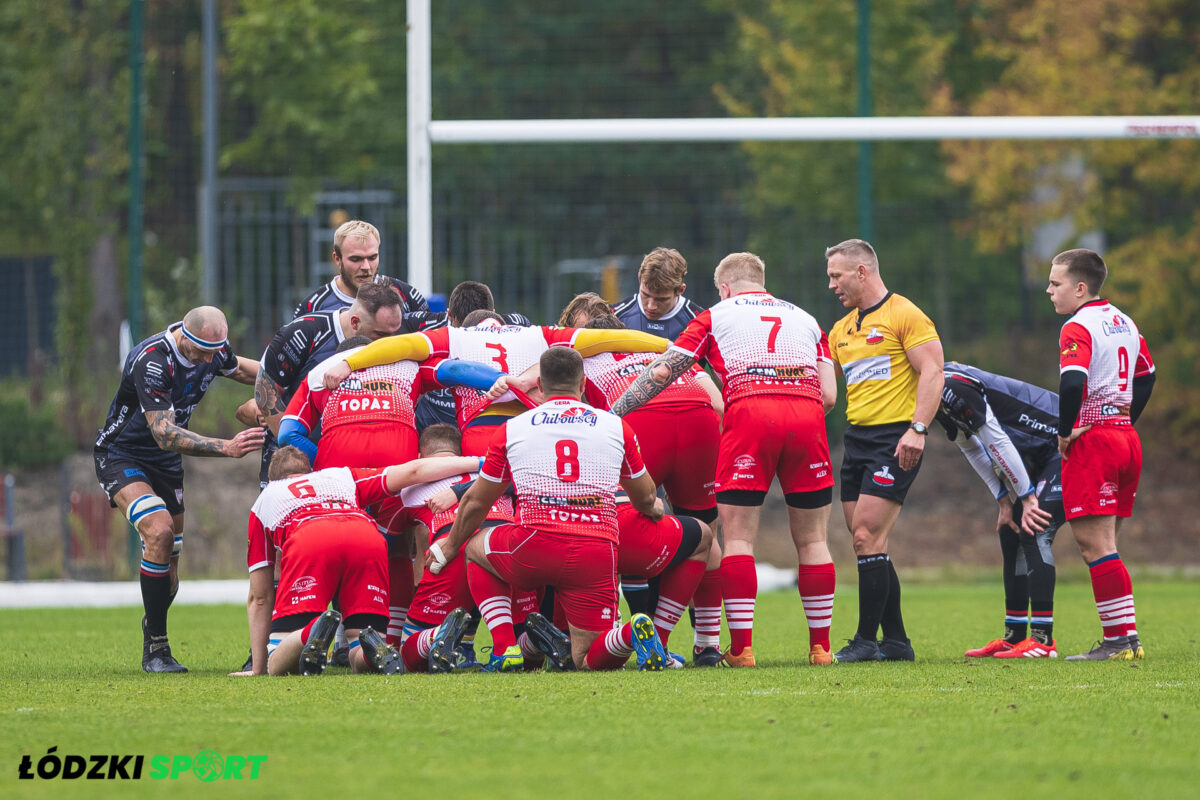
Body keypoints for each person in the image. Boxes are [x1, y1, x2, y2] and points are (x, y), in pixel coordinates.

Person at [613, 252, 839, 668]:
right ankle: (821, 649)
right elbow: (829, 396)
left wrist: (613, 414)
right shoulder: (807, 319)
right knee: (813, 540)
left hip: (750, 412)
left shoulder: (714, 315)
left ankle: (742, 649)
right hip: (807, 415)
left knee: (736, 540)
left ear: (724, 288)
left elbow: (663, 372)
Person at [430, 347, 674, 672]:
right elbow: (644, 498)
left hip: (534, 545)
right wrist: (656, 510)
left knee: (475, 549)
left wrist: (449, 545)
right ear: (584, 383)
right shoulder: (616, 427)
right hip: (595, 550)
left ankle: (506, 648)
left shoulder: (512, 429)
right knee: (586, 659)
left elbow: (477, 501)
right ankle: (631, 633)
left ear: (541, 386)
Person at [94, 306, 265, 673]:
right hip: (123, 454)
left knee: (169, 570)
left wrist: (295, 377)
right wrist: (226, 447)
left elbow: (246, 370)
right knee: (159, 530)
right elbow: (164, 434)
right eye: (204, 351)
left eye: (215, 351)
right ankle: (156, 647)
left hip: (166, 466)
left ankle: (152, 620)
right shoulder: (153, 360)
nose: (209, 360)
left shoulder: (212, 350)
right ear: (185, 336)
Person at [234, 445, 480, 676]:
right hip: (365, 536)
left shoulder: (266, 497)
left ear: (275, 478)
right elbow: (413, 470)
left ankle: (313, 631)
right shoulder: (340, 476)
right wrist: (479, 462)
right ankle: (373, 649)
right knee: (360, 642)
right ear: (310, 471)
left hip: (309, 537)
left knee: (277, 661)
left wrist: (257, 667)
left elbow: (260, 597)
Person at [825, 239, 943, 663]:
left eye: (836, 276)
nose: (832, 285)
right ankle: (896, 642)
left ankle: (865, 640)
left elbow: (933, 370)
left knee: (865, 535)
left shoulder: (904, 314)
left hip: (896, 438)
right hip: (857, 442)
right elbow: (823, 385)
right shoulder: (841, 330)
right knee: (869, 542)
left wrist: (918, 429)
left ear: (861, 271)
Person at [1047, 248, 1155, 661]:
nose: (1049, 290)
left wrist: (1064, 431)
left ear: (1080, 287)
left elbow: (1073, 383)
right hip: (1125, 438)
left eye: (1056, 284)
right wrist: (1124, 418)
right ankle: (1128, 641)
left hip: (1094, 441)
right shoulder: (1124, 321)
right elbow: (1147, 376)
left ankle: (1116, 642)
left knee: (1095, 545)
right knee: (1107, 543)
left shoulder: (1077, 326)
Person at [935, 362, 1062, 659]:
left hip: (1061, 445)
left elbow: (996, 440)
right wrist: (1004, 500)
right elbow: (971, 447)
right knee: (1011, 531)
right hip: (1032, 453)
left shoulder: (951, 386)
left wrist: (1028, 497)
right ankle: (1014, 636)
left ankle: (1043, 640)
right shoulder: (928, 392)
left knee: (1035, 528)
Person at [254, 282, 404, 487]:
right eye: (381, 335)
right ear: (355, 323)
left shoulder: (395, 345)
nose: (389, 343)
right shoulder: (304, 333)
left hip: (363, 473)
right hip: (302, 469)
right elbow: (264, 394)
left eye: (395, 333)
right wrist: (310, 462)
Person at [293, 219, 428, 319]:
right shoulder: (313, 307)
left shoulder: (405, 295)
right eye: (356, 259)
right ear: (337, 259)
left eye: (372, 257)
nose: (366, 267)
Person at [611, 247, 705, 339]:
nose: (651, 306)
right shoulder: (614, 316)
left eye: (661, 299)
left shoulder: (701, 323)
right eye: (646, 295)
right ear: (640, 278)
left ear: (680, 290)